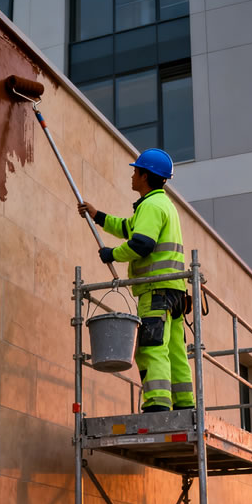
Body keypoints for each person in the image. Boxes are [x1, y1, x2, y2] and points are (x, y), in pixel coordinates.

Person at [78, 148, 195, 413]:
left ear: (145, 175)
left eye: (135, 171)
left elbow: (141, 244)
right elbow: (127, 227)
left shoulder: (152, 206)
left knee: (151, 347)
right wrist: (97, 216)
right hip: (174, 292)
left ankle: (157, 403)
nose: (132, 175)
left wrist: (113, 254)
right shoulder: (160, 205)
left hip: (156, 291)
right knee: (175, 350)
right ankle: (185, 404)